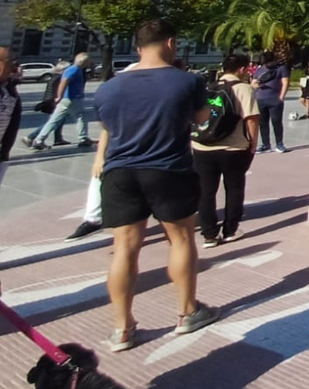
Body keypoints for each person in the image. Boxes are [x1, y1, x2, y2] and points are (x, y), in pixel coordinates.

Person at [92, 20, 220, 351]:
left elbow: (108, 127)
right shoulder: (187, 81)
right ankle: (187, 311)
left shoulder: (108, 87)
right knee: (180, 239)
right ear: (171, 43)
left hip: (119, 172)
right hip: (168, 170)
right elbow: (202, 118)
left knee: (124, 248)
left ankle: (122, 328)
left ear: (137, 48)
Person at [194, 54, 260, 249]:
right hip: (233, 147)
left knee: (206, 191)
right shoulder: (243, 88)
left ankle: (209, 234)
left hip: (202, 146)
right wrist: (252, 144)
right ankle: (230, 230)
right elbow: (251, 119)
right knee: (234, 188)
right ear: (242, 69)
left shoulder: (208, 86)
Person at [24, 52, 94, 150]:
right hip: (73, 98)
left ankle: (39, 140)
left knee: (54, 120)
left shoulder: (74, 69)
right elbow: (64, 81)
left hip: (69, 98)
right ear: (85, 62)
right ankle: (83, 139)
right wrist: (59, 96)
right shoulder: (74, 69)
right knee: (79, 117)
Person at [251, 52, 288, 153]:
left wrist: (281, 97)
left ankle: (279, 144)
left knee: (276, 122)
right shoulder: (259, 69)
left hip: (275, 100)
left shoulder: (281, 68)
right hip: (260, 99)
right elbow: (253, 83)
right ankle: (266, 144)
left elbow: (285, 82)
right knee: (263, 123)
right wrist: (255, 85)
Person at [0, 48, 22, 193]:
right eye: (11, 63)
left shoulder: (9, 91)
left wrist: (4, 152)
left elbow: (13, 125)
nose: (15, 68)